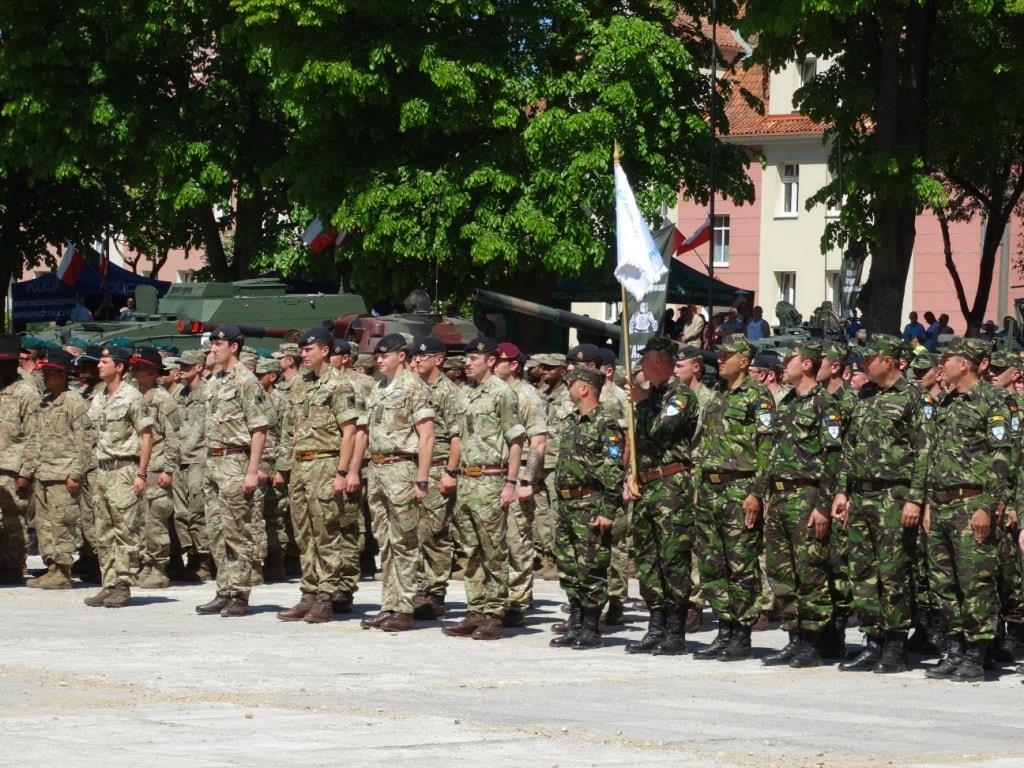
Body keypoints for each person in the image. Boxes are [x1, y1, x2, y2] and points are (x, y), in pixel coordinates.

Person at [831, 334, 929, 673]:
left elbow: (924, 452)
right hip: (861, 495)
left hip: (894, 496)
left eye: (868, 359)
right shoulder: (865, 396)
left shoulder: (913, 396)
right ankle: (873, 641)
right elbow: (849, 448)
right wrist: (842, 491)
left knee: (893, 573)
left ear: (887, 361)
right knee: (862, 571)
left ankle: (895, 645)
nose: (862, 364)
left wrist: (915, 498)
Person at [924, 339, 1010, 682]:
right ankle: (956, 646)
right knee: (943, 582)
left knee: (976, 581)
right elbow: (933, 456)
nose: (940, 366)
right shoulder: (946, 402)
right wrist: (928, 503)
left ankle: (978, 652)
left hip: (972, 503)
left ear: (964, 365)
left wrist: (987, 506)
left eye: (947, 360)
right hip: (941, 504)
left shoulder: (992, 400)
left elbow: (1001, 457)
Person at [692, 338, 775, 661]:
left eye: (727, 355)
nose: (720, 360)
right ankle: (724, 627)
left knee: (741, 563)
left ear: (743, 361)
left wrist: (757, 492)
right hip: (710, 488)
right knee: (712, 562)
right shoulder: (718, 394)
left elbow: (767, 447)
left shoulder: (758, 396)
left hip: (740, 488)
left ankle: (741, 632)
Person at [761, 343, 843, 668]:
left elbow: (833, 457)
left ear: (806, 364)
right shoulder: (787, 403)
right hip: (780, 496)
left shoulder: (825, 404)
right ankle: (794, 636)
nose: (784, 365)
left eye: (789, 360)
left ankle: (814, 641)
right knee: (781, 570)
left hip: (807, 495)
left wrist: (823, 505)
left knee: (810, 570)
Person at [275, 325, 364, 624]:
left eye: (309, 349)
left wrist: (343, 471)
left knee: (327, 532)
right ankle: (309, 593)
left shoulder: (339, 385)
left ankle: (327, 595)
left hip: (326, 463)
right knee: (303, 533)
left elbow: (350, 431)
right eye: (301, 350)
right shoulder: (300, 383)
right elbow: (291, 429)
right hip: (301, 466)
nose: (304, 354)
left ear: (325, 351)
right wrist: (284, 467)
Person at [442, 337, 525, 641]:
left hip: (491, 479)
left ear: (490, 361)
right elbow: (457, 438)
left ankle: (494, 613)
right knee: (470, 550)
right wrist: (451, 472)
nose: (467, 363)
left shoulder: (502, 393)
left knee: (493, 550)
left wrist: (511, 483)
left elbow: (516, 440)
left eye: (474, 358)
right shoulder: (464, 393)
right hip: (467, 479)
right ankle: (475, 609)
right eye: (466, 358)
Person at [622, 337, 700, 655]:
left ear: (657, 361)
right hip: (647, 483)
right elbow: (637, 442)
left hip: (670, 484)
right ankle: (656, 626)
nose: (640, 366)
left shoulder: (680, 395)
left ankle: (675, 630)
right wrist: (630, 474)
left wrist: (642, 401)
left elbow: (659, 429)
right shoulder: (650, 396)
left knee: (672, 557)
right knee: (647, 557)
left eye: (644, 360)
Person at [359, 333, 435, 631]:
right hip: (378, 470)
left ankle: (404, 607)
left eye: (384, 354)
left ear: (401, 356)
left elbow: (426, 436)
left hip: (402, 467)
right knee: (385, 541)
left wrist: (422, 479)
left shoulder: (414, 387)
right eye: (377, 355)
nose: (379, 359)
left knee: (404, 541)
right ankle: (389, 605)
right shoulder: (378, 388)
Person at [195, 324, 268, 618]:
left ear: (233, 347)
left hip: (235, 461)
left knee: (238, 531)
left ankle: (239, 593)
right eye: (212, 344)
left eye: (218, 344)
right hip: (213, 462)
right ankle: (223, 589)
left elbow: (259, 428)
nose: (213, 349)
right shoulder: (214, 381)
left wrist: (252, 470)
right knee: (216, 531)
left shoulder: (246, 381)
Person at [550, 366, 625, 649]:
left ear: (584, 388)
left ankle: (591, 628)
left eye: (571, 384)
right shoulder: (572, 421)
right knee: (568, 567)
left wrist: (608, 509)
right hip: (567, 504)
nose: (567, 388)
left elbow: (614, 467)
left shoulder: (606, 423)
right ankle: (576, 623)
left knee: (591, 566)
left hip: (590, 504)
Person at [82, 346, 153, 608]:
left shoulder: (132, 397)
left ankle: (123, 585)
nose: (99, 365)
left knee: (125, 530)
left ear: (119, 367)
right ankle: (109, 583)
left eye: (105, 361)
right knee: (103, 531)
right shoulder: (99, 396)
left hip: (123, 469)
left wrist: (141, 473)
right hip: (102, 470)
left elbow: (146, 436)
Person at [410, 335, 465, 620]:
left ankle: (434, 593)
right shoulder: (415, 388)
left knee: (434, 533)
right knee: (416, 532)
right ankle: (419, 588)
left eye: (424, 356)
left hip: (438, 467)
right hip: (416, 468)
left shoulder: (448, 393)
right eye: (415, 356)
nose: (417, 360)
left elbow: (458, 437)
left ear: (439, 359)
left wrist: (450, 472)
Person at [23, 350, 88, 589]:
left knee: (63, 524)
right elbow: (35, 438)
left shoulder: (74, 402)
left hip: (63, 474)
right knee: (44, 524)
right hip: (43, 473)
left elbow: (85, 441)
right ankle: (51, 566)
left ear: (62, 375)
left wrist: (76, 473)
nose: (45, 377)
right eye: (45, 372)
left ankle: (62, 570)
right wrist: (29, 469)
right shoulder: (45, 401)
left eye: (50, 373)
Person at [494, 342, 547, 627]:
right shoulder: (491, 391)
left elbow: (537, 442)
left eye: (498, 359)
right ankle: (496, 598)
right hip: (493, 475)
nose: (493, 363)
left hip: (518, 476)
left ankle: (517, 601)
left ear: (514, 365)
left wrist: (527, 480)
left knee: (517, 541)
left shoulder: (527, 396)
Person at [129, 348, 181, 589]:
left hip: (156, 466)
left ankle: (157, 567)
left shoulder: (163, 399)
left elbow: (174, 436)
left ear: (152, 372)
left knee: (154, 521)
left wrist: (168, 469)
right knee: (137, 521)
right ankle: (142, 563)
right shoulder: (132, 396)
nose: (134, 371)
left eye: (139, 367)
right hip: (135, 466)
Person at [172, 349, 212, 582]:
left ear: (199, 367)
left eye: (187, 366)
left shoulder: (208, 393)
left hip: (200, 459)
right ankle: (192, 556)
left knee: (198, 513)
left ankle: (204, 561)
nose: (182, 369)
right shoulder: (180, 394)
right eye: (181, 366)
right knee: (181, 514)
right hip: (180, 460)